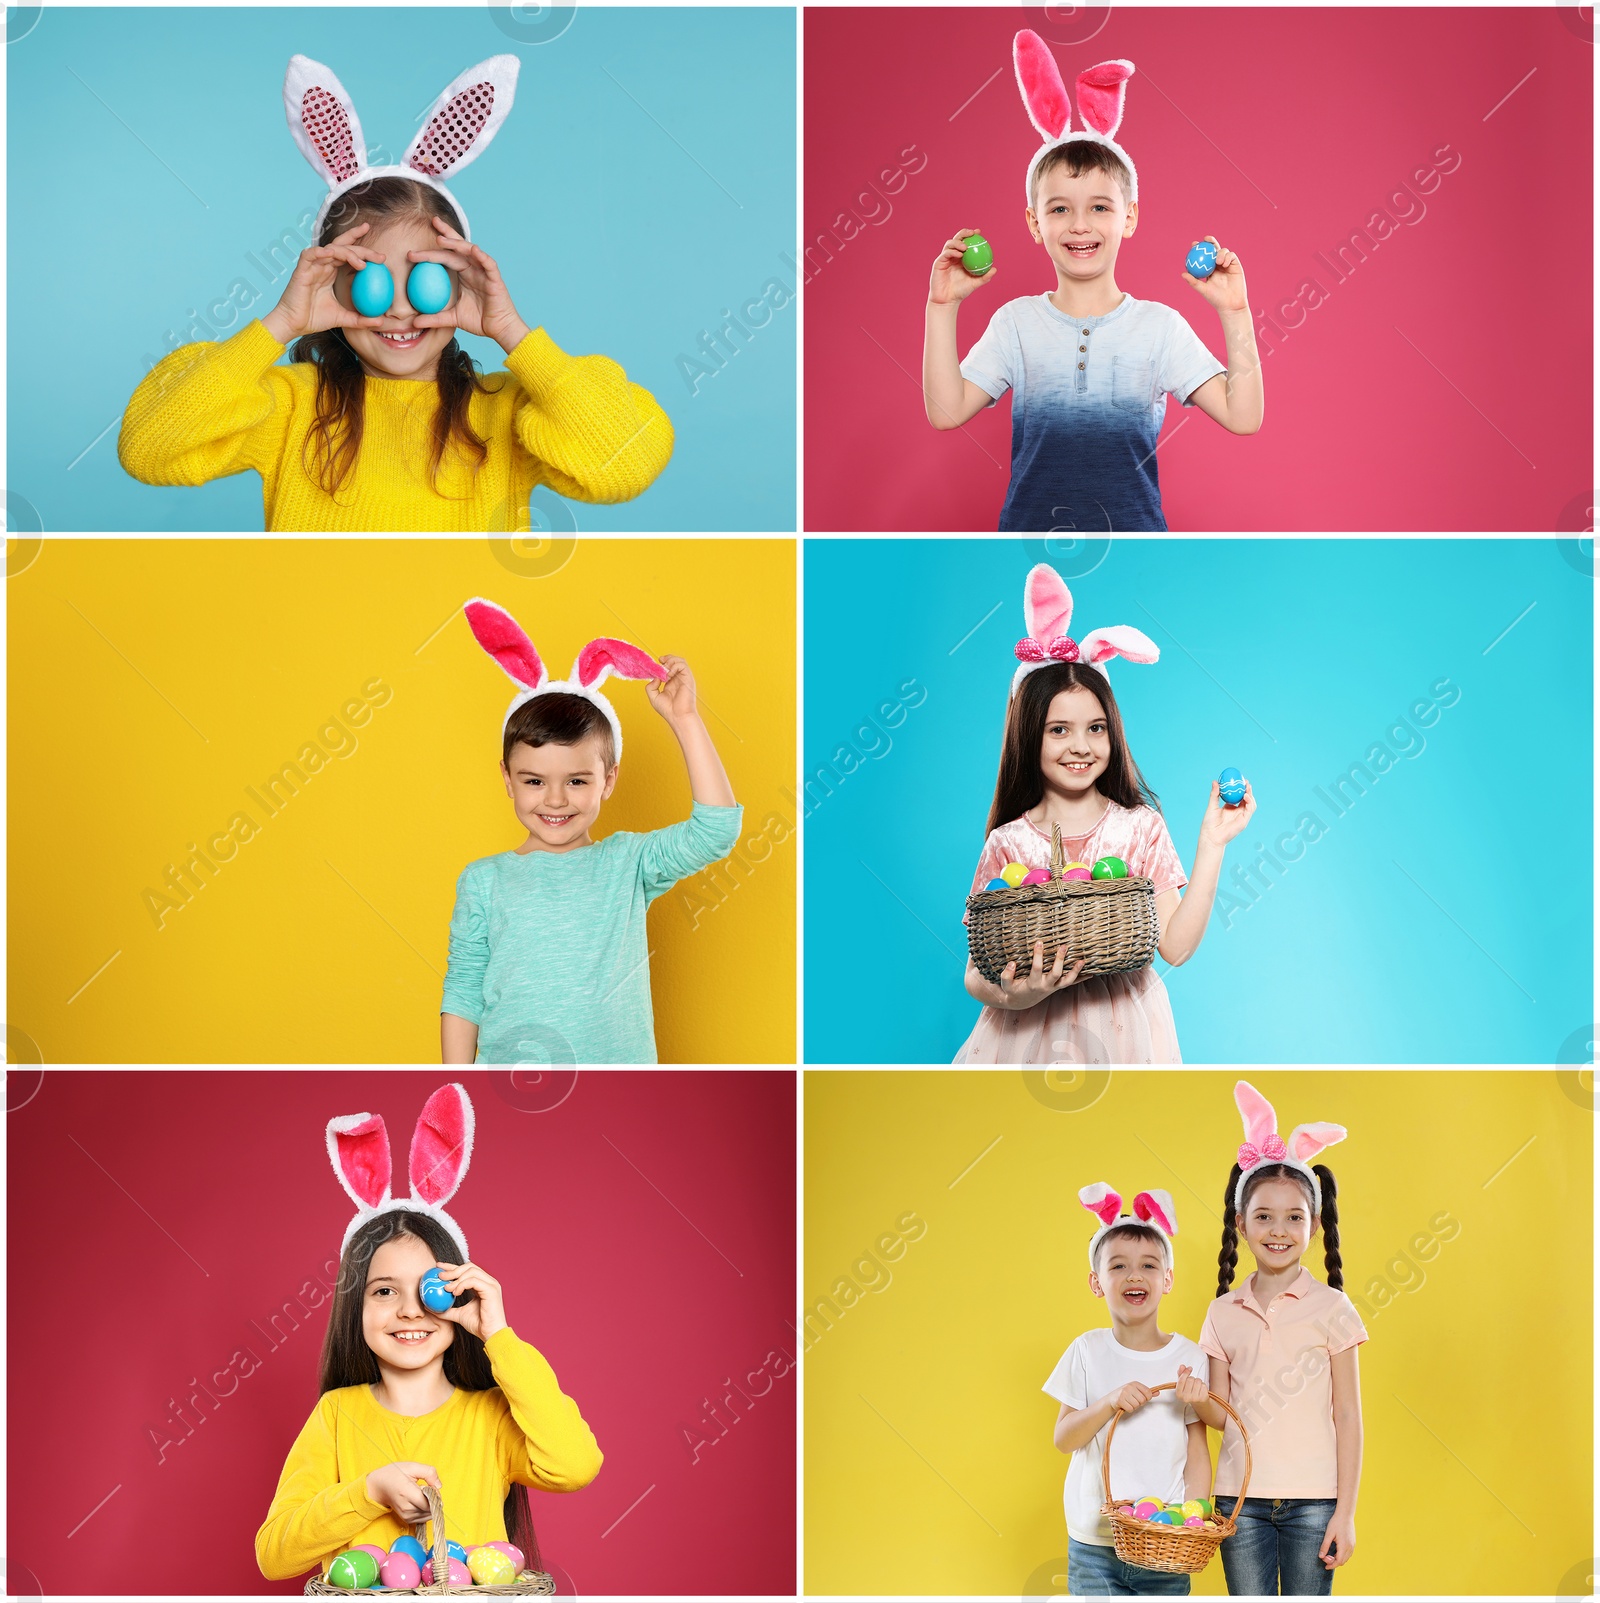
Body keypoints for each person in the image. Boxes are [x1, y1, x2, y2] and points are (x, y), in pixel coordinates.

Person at [119, 54, 670, 531]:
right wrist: (281, 323)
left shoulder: (506, 413)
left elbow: (626, 463)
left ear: (463, 284)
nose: (402, 308)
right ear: (330, 287)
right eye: (370, 280)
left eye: (426, 279)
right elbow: (149, 447)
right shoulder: (289, 406)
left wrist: (514, 334)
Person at [256, 1084, 601, 1583]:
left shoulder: (489, 1416)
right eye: (383, 1292)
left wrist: (498, 1335)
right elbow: (275, 1556)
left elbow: (576, 1464)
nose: (411, 1311)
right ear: (355, 1307)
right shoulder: (336, 1416)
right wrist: (367, 1492)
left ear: (458, 1294)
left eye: (430, 1288)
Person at [922, 30, 1262, 531]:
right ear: (1036, 224)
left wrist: (1235, 314)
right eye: (1060, 208)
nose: (1079, 224)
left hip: (1136, 546)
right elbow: (945, 411)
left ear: (1129, 217)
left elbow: (1244, 416)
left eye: (1100, 207)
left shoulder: (1159, 328)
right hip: (1027, 542)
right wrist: (941, 307)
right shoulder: (1016, 324)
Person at [956, 564, 1254, 1062]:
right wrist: (1016, 996)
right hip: (1024, 1039)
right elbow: (973, 972)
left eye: (1096, 728)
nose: (1081, 746)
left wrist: (1212, 844)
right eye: (1058, 730)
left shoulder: (1139, 828)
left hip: (1125, 1036)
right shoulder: (1008, 842)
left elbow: (1175, 949)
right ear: (1028, 736)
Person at [442, 598, 741, 1064]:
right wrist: (456, 1084)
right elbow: (463, 991)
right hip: (511, 1091)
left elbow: (716, 829)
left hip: (621, 1093)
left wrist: (685, 720)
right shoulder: (483, 880)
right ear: (507, 779)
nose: (556, 799)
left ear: (609, 780)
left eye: (577, 781)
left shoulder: (628, 863)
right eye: (534, 781)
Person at [1194, 1080, 1367, 1595]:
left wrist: (1346, 1512)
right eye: (1263, 1216)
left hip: (1315, 1503)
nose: (1278, 1229)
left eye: (1294, 1217)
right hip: (1238, 1502)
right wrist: (1194, 1398)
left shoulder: (1333, 1308)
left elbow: (1348, 1416)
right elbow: (1219, 1416)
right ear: (1242, 1225)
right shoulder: (1222, 1312)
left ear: (1314, 1227)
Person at [1044, 1183, 1215, 1596]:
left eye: (1149, 1266)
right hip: (1094, 1542)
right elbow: (1064, 1440)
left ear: (1168, 1279)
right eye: (1117, 1266)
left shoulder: (1191, 1356)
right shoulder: (1087, 1350)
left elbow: (1197, 1449)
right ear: (1096, 1282)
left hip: (1165, 1541)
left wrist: (1194, 1517)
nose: (1134, 1275)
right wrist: (1107, 1403)